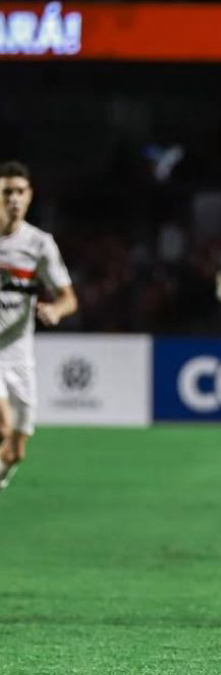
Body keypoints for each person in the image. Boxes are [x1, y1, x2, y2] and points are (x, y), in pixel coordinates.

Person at [0, 161, 78, 493]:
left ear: (30, 196)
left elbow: (68, 297)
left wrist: (57, 311)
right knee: (2, 427)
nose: (14, 199)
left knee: (15, 451)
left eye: (20, 192)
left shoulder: (39, 244)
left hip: (20, 356)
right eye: (6, 192)